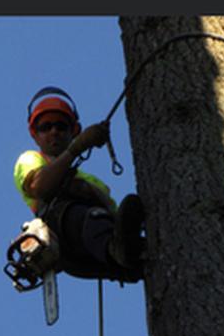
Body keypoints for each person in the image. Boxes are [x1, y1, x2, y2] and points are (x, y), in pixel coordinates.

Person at [13, 87, 144, 279]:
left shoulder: (89, 180)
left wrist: (84, 188)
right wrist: (77, 148)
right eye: (46, 127)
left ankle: (134, 255)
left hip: (93, 247)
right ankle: (115, 251)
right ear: (35, 134)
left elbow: (112, 211)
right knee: (88, 214)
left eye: (61, 126)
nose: (54, 131)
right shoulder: (30, 159)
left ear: (73, 131)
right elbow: (40, 187)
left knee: (102, 219)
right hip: (65, 238)